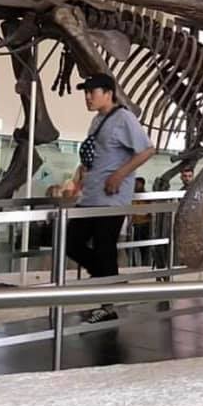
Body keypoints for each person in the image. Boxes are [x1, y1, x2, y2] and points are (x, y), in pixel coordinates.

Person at [67, 74, 155, 323]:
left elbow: (148, 149)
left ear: (108, 93)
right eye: (85, 92)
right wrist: (78, 182)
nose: (87, 97)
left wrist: (120, 175)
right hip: (90, 197)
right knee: (71, 242)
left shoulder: (125, 118)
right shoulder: (97, 121)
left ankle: (108, 306)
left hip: (111, 200)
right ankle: (111, 281)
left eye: (91, 92)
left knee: (105, 249)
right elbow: (92, 158)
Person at [129, 176, 152, 267]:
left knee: (145, 247)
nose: (136, 186)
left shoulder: (146, 197)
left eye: (138, 184)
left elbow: (149, 211)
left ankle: (145, 264)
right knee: (134, 246)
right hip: (134, 225)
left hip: (145, 224)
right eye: (135, 184)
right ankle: (134, 264)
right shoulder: (131, 196)